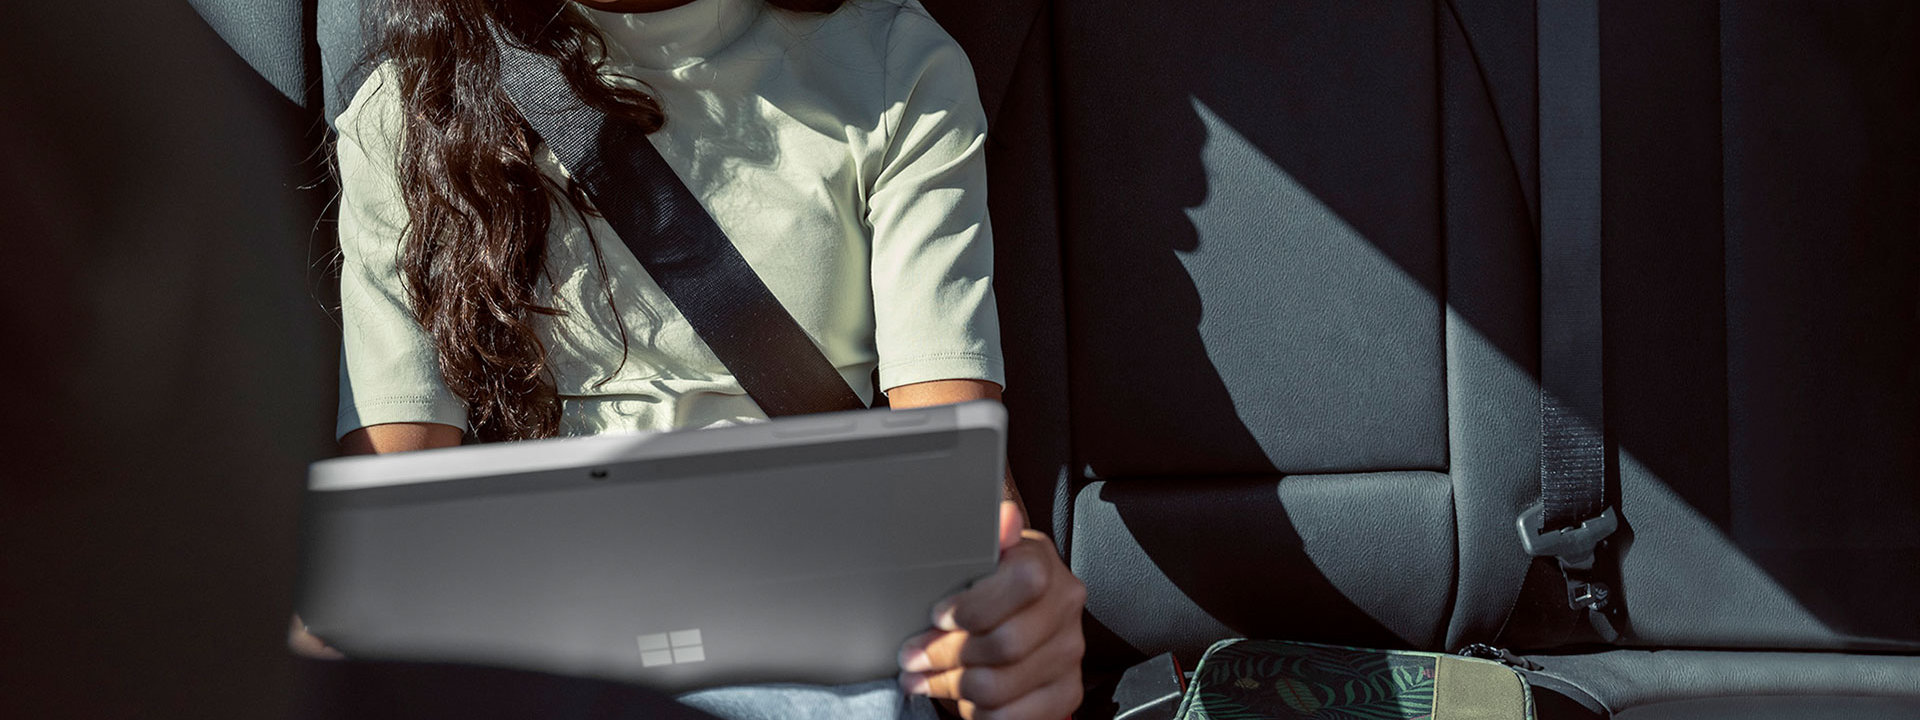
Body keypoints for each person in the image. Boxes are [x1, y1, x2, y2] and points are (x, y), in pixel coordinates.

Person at [293, 0, 1086, 718]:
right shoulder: (410, 111)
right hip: (538, 658)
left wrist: (1012, 616)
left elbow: (956, 486)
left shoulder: (891, 64)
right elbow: (389, 532)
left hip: (815, 652)